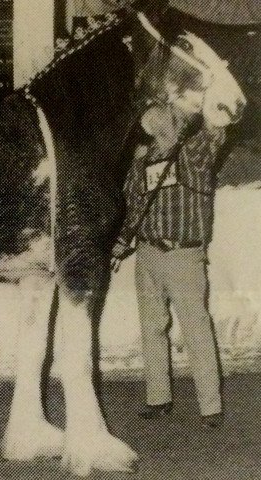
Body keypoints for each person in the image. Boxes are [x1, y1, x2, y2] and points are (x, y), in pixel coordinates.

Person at [112, 94, 226, 429]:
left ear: (172, 122)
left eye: (157, 112)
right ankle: (158, 397)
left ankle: (211, 405)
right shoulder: (141, 163)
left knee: (196, 328)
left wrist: (209, 100)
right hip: (147, 253)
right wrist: (121, 242)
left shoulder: (192, 153)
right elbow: (133, 208)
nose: (149, 116)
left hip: (184, 255)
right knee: (151, 327)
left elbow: (215, 134)